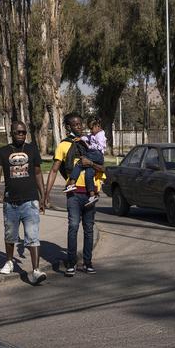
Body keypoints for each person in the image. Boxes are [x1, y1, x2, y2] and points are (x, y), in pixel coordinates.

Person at [45, 113, 105, 276]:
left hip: (91, 193)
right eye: (75, 125)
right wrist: (45, 194)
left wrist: (91, 163)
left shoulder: (91, 143)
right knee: (73, 227)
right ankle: (71, 263)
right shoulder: (63, 145)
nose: (79, 127)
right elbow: (54, 169)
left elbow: (103, 169)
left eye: (80, 124)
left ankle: (87, 263)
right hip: (73, 195)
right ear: (68, 127)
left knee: (89, 229)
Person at [0, 121, 47, 285]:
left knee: (33, 236)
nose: (21, 135)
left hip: (30, 201)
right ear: (12, 133)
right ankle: (9, 261)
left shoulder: (32, 149)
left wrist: (43, 196)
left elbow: (38, 173)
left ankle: (36, 271)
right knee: (10, 234)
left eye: (23, 132)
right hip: (11, 202)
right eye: (18, 132)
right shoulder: (3, 152)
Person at [63, 115, 106, 207]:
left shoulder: (100, 135)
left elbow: (100, 147)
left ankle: (72, 183)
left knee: (80, 162)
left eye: (92, 128)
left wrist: (88, 145)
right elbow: (86, 138)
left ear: (98, 126)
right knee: (89, 175)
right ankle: (92, 195)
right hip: (95, 156)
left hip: (97, 155)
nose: (91, 131)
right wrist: (81, 139)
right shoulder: (93, 134)